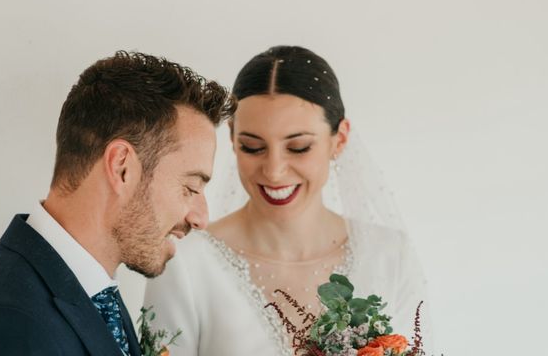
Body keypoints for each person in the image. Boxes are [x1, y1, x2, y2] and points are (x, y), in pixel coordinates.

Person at [0, 51, 235, 356]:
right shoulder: (4, 323)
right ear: (122, 167)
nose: (200, 218)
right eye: (190, 187)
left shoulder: (92, 291)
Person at [143, 46, 429, 356]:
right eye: (253, 147)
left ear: (340, 138)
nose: (274, 171)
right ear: (232, 138)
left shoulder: (388, 256)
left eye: (299, 147)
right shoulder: (184, 262)